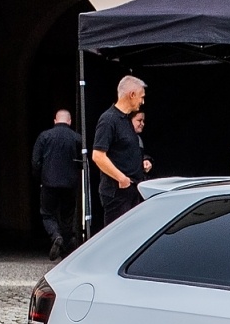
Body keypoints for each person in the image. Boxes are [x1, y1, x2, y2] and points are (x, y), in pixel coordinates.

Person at [91, 75, 146, 227]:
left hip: (131, 190)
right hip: (117, 192)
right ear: (132, 94)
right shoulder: (108, 119)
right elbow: (98, 155)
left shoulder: (126, 120)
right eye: (141, 97)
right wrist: (121, 178)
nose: (142, 102)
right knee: (119, 236)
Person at [31, 108, 81, 260]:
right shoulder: (77, 138)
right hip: (70, 184)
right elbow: (82, 162)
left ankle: (55, 236)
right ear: (70, 121)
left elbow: (36, 161)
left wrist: (39, 178)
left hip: (49, 183)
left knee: (47, 214)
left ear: (55, 121)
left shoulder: (44, 136)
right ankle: (65, 251)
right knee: (67, 217)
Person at [131, 111, 153, 181]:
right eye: (139, 120)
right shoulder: (119, 138)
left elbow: (139, 155)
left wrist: (145, 160)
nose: (142, 124)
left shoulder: (138, 138)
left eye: (143, 121)